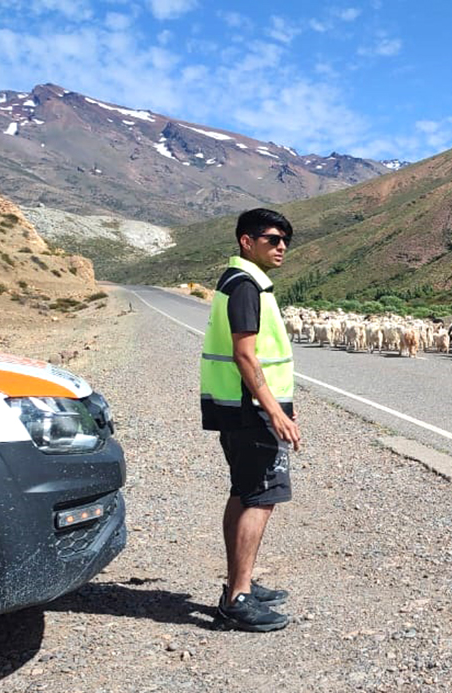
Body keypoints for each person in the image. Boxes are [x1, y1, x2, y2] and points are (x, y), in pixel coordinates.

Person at [198, 208, 301, 632]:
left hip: (240, 408)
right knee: (261, 497)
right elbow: (245, 354)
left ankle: (237, 585)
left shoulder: (240, 281)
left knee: (244, 492)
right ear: (246, 241)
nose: (280, 248)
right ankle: (238, 598)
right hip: (252, 411)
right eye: (272, 239)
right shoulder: (245, 286)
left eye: (284, 242)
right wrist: (274, 410)